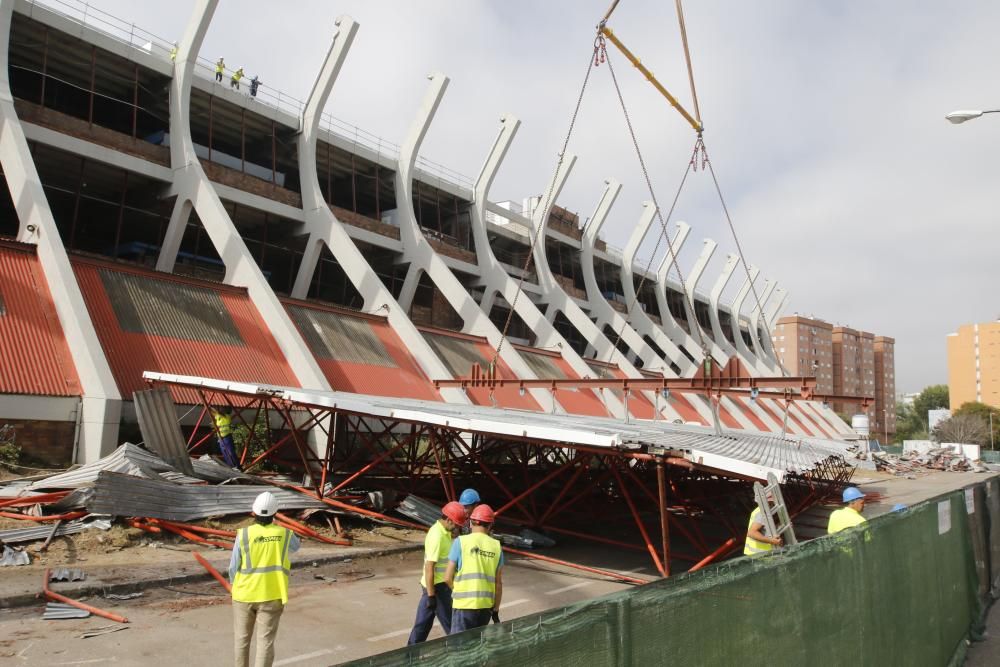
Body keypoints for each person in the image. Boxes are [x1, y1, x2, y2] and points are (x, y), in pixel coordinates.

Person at [229, 492, 300, 667]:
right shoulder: (285, 534)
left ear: (254, 512)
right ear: (275, 514)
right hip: (272, 595)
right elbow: (296, 547)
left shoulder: (244, 534)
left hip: (244, 595)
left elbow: (233, 566)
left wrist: (234, 586)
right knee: (265, 642)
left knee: (241, 640)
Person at [406, 501, 467, 645]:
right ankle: (459, 652)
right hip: (437, 587)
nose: (457, 527)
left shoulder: (445, 532)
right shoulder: (437, 536)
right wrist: (432, 595)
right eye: (456, 524)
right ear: (448, 520)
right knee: (452, 624)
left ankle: (410, 654)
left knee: (423, 624)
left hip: (437, 586)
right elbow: (429, 567)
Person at [445, 504, 503, 634]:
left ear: (471, 522)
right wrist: (495, 610)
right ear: (490, 526)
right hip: (485, 608)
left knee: (459, 649)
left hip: (464, 607)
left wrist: (459, 592)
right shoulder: (496, 547)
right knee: (476, 648)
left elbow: (447, 577)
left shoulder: (460, 542)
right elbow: (498, 584)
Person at [744, 491, 783, 556]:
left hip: (758, 554)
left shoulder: (760, 510)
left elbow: (765, 528)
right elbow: (751, 533)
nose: (774, 504)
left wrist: (780, 526)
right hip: (759, 554)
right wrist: (772, 541)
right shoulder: (762, 513)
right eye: (771, 502)